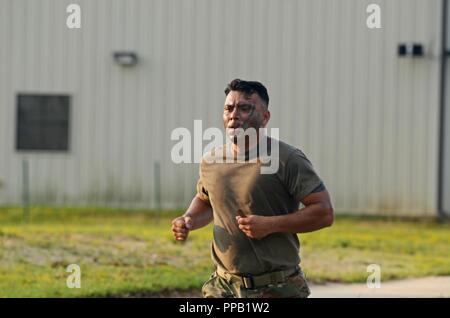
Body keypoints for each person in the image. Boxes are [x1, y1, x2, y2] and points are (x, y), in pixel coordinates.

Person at [171, 79, 334, 298]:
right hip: (223, 287)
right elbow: (207, 201)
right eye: (229, 108)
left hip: (276, 287)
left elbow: (324, 212)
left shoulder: (287, 159)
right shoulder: (211, 161)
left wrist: (270, 225)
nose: (234, 115)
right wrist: (188, 219)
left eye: (245, 108)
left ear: (265, 117)